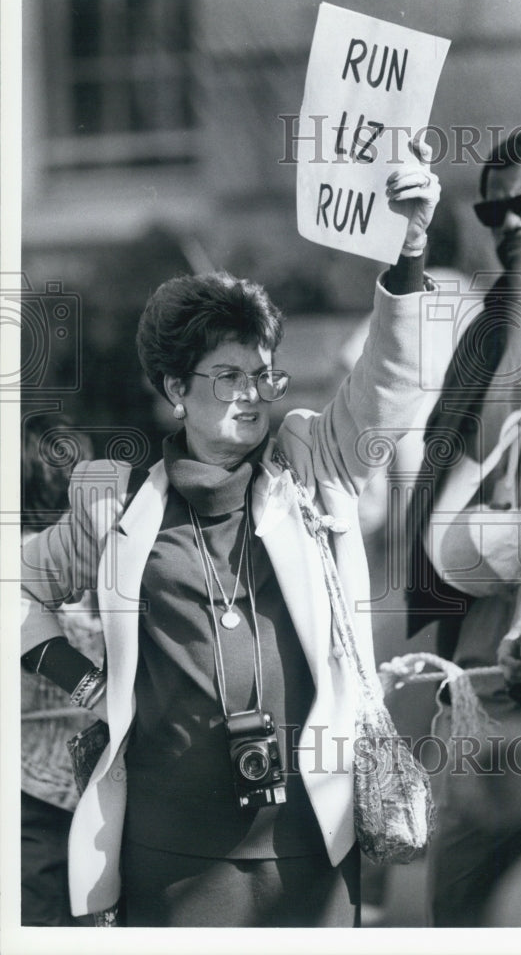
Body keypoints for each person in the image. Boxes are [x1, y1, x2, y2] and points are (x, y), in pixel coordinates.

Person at [19, 140, 440, 927]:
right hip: (168, 861)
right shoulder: (112, 506)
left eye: (262, 373)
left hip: (311, 842)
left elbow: (388, 393)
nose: (253, 394)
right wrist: (84, 682)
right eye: (227, 376)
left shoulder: (313, 460)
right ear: (176, 389)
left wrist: (410, 251)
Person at [405, 126, 521, 926]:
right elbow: (443, 523)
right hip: (483, 707)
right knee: (460, 909)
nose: (509, 223)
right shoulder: (490, 338)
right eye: (492, 209)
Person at [20, 414, 103, 926]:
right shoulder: (90, 562)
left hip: (81, 798)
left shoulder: (93, 558)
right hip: (40, 799)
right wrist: (101, 692)